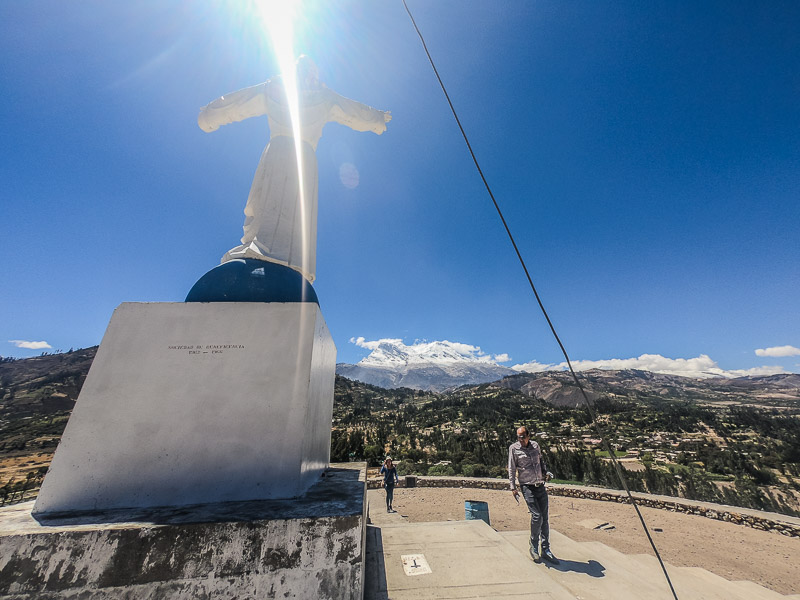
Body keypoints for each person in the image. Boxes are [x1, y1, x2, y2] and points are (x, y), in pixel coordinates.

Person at [198, 55, 392, 283]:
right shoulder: (277, 89)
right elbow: (241, 101)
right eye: (305, 70)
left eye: (310, 71)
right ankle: (261, 248)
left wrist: (377, 118)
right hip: (281, 153)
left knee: (294, 210)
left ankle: (287, 258)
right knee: (265, 204)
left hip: (297, 157)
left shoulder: (319, 96)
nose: (308, 75)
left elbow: (353, 111)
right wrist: (211, 113)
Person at [508, 426, 559, 564]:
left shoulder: (536, 445)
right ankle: (533, 545)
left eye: (523, 436)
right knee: (537, 516)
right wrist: (513, 487)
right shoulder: (514, 448)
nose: (521, 439)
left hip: (540, 485)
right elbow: (512, 468)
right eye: (518, 436)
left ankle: (546, 549)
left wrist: (545, 472)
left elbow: (541, 461)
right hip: (527, 486)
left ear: (529, 435)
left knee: (545, 518)